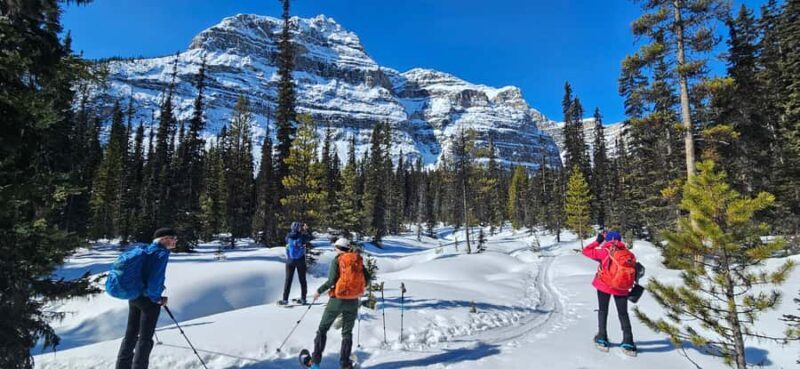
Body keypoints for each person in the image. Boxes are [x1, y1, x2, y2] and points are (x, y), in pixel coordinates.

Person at [303, 238, 371, 369]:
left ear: (338, 248)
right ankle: (345, 364)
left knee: (323, 329)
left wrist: (318, 291)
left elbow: (330, 281)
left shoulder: (337, 260)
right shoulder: (356, 259)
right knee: (347, 333)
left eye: (335, 247)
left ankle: (315, 362)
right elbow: (367, 278)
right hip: (353, 301)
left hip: (337, 300)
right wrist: (356, 289)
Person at [116, 227, 176, 369]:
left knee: (130, 336)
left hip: (135, 296)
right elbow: (155, 280)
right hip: (148, 300)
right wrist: (157, 299)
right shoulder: (161, 253)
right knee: (145, 339)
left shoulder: (146, 250)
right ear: (164, 239)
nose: (175, 241)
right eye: (173, 238)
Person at [582, 230, 637, 355]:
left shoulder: (604, 252)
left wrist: (598, 240)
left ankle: (602, 338)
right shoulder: (628, 254)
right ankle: (628, 342)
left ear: (608, 240)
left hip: (604, 286)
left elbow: (585, 251)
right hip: (622, 288)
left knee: (603, 311)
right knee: (623, 314)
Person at [279, 222, 312, 305]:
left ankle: (285, 299)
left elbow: (287, 242)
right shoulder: (302, 236)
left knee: (288, 280)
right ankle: (303, 299)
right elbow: (310, 237)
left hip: (290, 261)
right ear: (299, 228)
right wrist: (306, 230)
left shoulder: (288, 236)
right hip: (300, 260)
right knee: (302, 280)